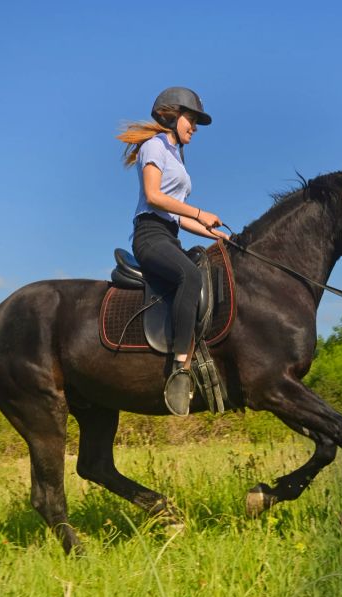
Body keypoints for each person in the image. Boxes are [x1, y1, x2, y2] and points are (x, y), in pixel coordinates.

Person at [117, 87, 229, 416]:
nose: (193, 127)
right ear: (172, 116)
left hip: (169, 233)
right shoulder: (153, 146)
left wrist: (217, 234)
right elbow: (153, 197)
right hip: (150, 235)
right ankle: (180, 370)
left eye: (195, 122)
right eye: (191, 120)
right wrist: (199, 213)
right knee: (190, 276)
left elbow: (177, 216)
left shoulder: (175, 154)